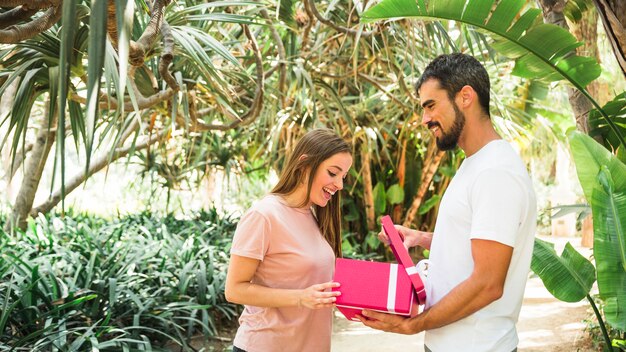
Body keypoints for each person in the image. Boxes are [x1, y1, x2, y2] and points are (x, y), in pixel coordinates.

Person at [357, 53, 537, 352]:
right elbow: (480, 242)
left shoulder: (495, 173)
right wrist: (421, 238)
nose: (425, 119)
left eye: (431, 105)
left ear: (465, 96)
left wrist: (414, 324)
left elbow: (488, 283)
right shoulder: (476, 164)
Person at [225, 128, 352, 352]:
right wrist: (300, 298)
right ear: (304, 164)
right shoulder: (264, 215)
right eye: (333, 173)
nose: (339, 185)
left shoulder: (316, 217)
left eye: (343, 177)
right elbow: (234, 289)